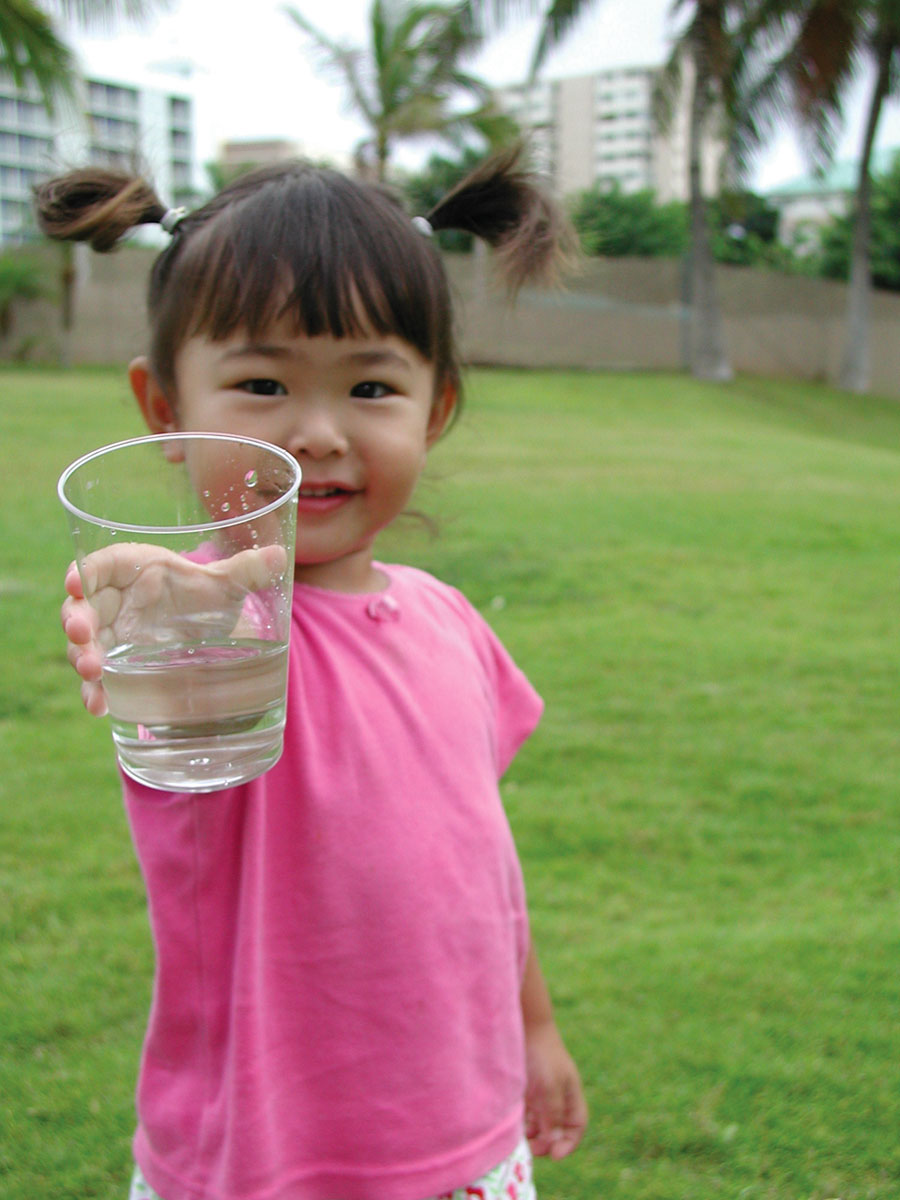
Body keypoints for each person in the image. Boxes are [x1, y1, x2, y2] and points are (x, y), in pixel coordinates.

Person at [38, 148, 587, 1200]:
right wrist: (137, 603)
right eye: (261, 384)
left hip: (469, 1146)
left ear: (434, 410)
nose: (320, 433)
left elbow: (483, 868)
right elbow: (172, 665)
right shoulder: (217, 634)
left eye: (372, 385)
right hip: (264, 1163)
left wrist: (537, 1028)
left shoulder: (451, 625)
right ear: (164, 409)